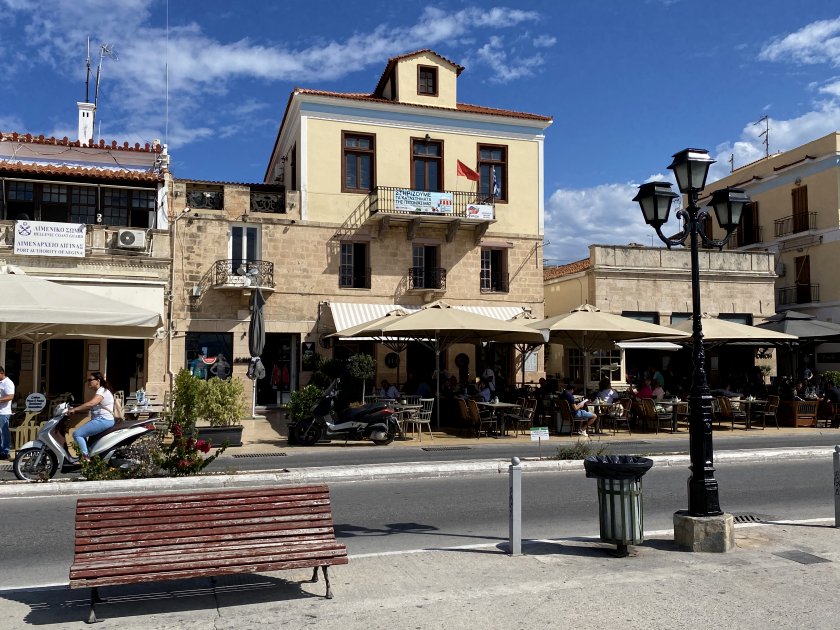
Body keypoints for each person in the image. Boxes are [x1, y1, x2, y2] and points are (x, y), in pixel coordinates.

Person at [68, 372, 116, 460]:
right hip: (101, 420)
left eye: (90, 380)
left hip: (103, 420)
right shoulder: (100, 391)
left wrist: (75, 409)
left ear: (98, 381)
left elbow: (91, 403)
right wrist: (75, 409)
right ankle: (89, 456)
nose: (88, 382)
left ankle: (85, 458)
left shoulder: (102, 391)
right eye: (88, 380)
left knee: (77, 434)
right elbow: (90, 406)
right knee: (88, 441)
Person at [0, 367, 15, 460]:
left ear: (2, 373)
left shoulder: (7, 383)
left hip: (3, 412)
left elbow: (10, 396)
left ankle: (5, 452)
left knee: (3, 432)